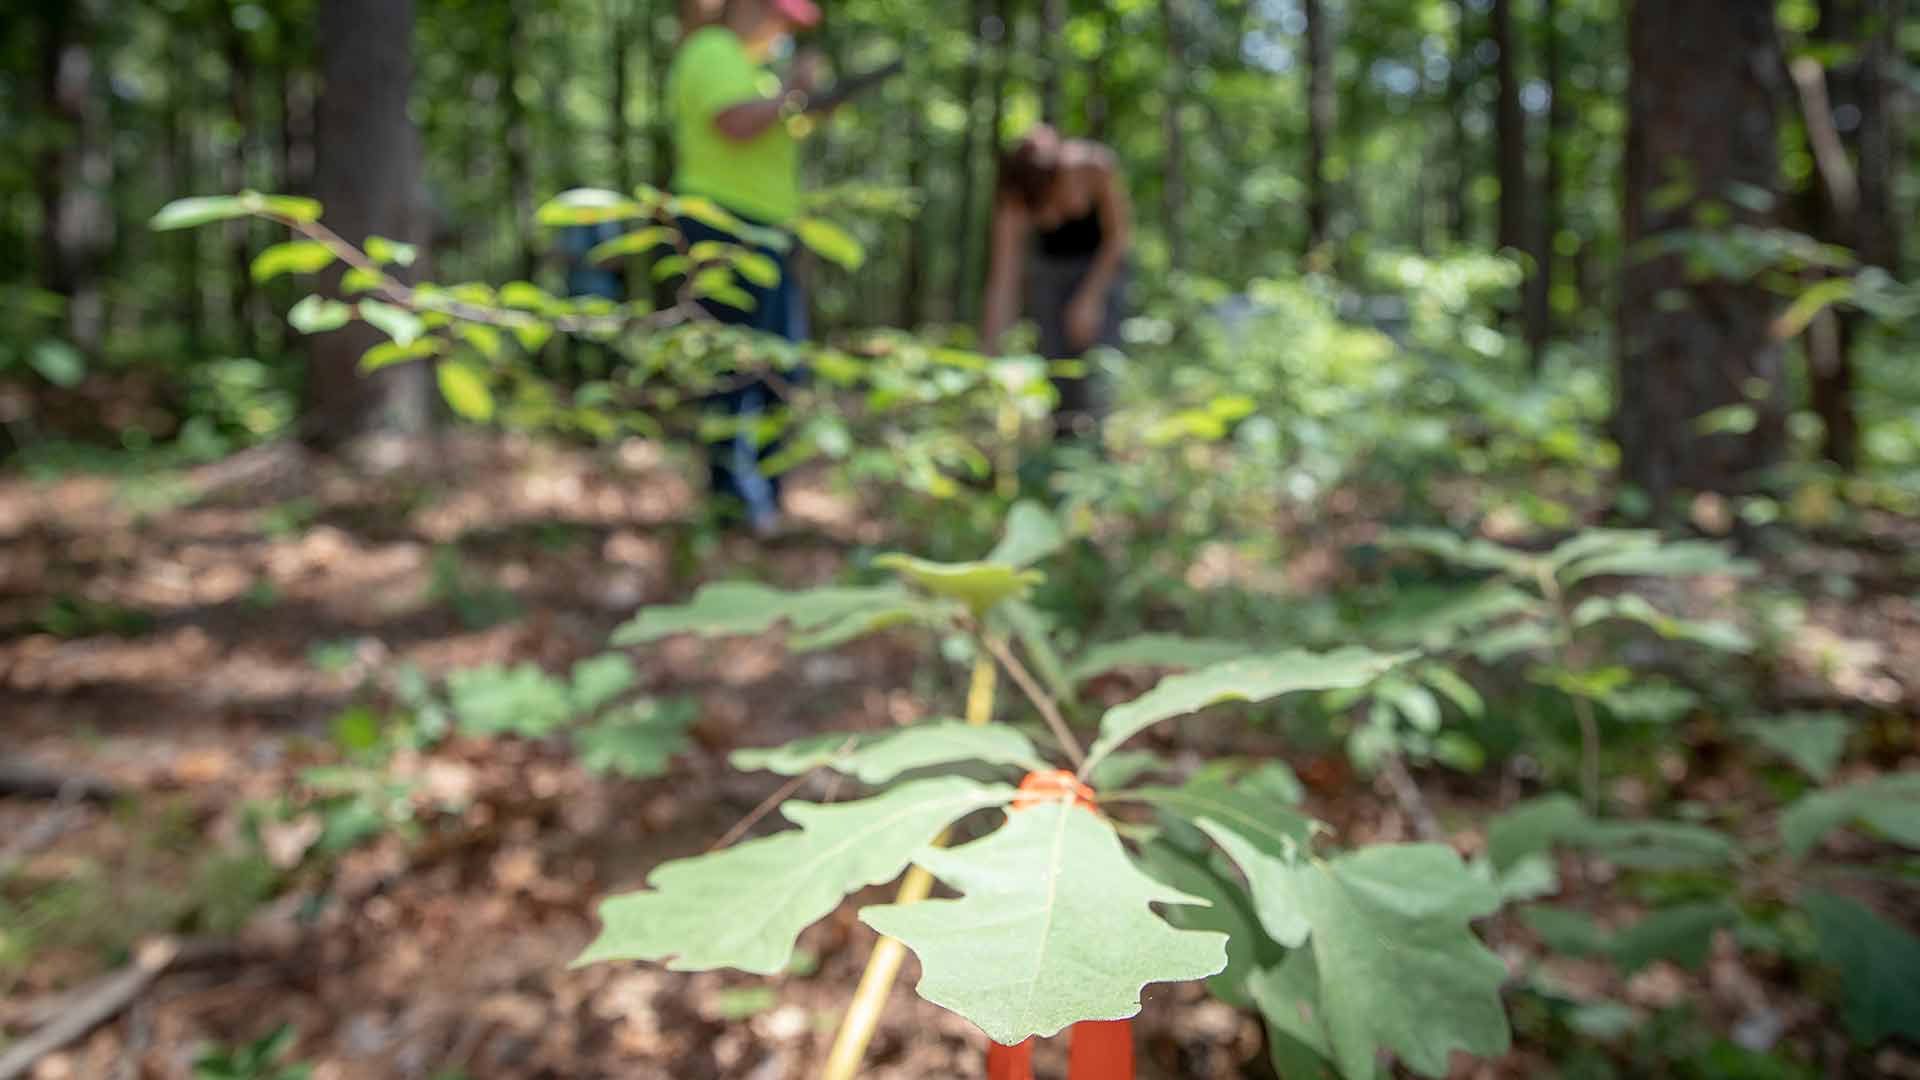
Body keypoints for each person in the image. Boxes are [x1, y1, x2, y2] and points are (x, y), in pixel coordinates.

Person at [667, 0, 827, 534]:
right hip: (724, 228)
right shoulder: (712, 51)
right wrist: (791, 95)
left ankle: (768, 501)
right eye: (781, 19)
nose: (784, 32)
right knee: (733, 367)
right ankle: (734, 504)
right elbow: (734, 123)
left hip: (771, 232)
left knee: (780, 367)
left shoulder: (758, 71)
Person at [980, 124, 1133, 445]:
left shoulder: (1093, 165)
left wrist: (1090, 298)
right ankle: (1061, 445)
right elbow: (1004, 279)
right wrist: (991, 351)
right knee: (1055, 362)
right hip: (1049, 274)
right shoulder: (1016, 194)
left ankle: (1097, 446)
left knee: (1098, 364)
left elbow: (1119, 238)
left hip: (1101, 267)